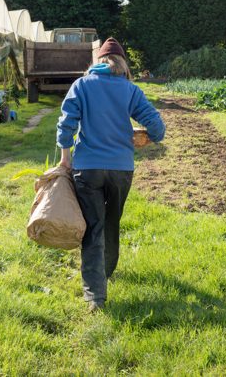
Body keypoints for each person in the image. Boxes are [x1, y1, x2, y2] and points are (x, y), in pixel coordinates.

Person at [56, 37, 165, 311]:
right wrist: (146, 137)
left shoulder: (81, 85)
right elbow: (158, 128)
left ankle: (95, 295)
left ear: (98, 62)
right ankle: (105, 273)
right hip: (121, 169)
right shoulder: (130, 90)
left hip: (88, 169)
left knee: (93, 226)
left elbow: (67, 123)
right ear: (122, 64)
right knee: (111, 222)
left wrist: (65, 158)